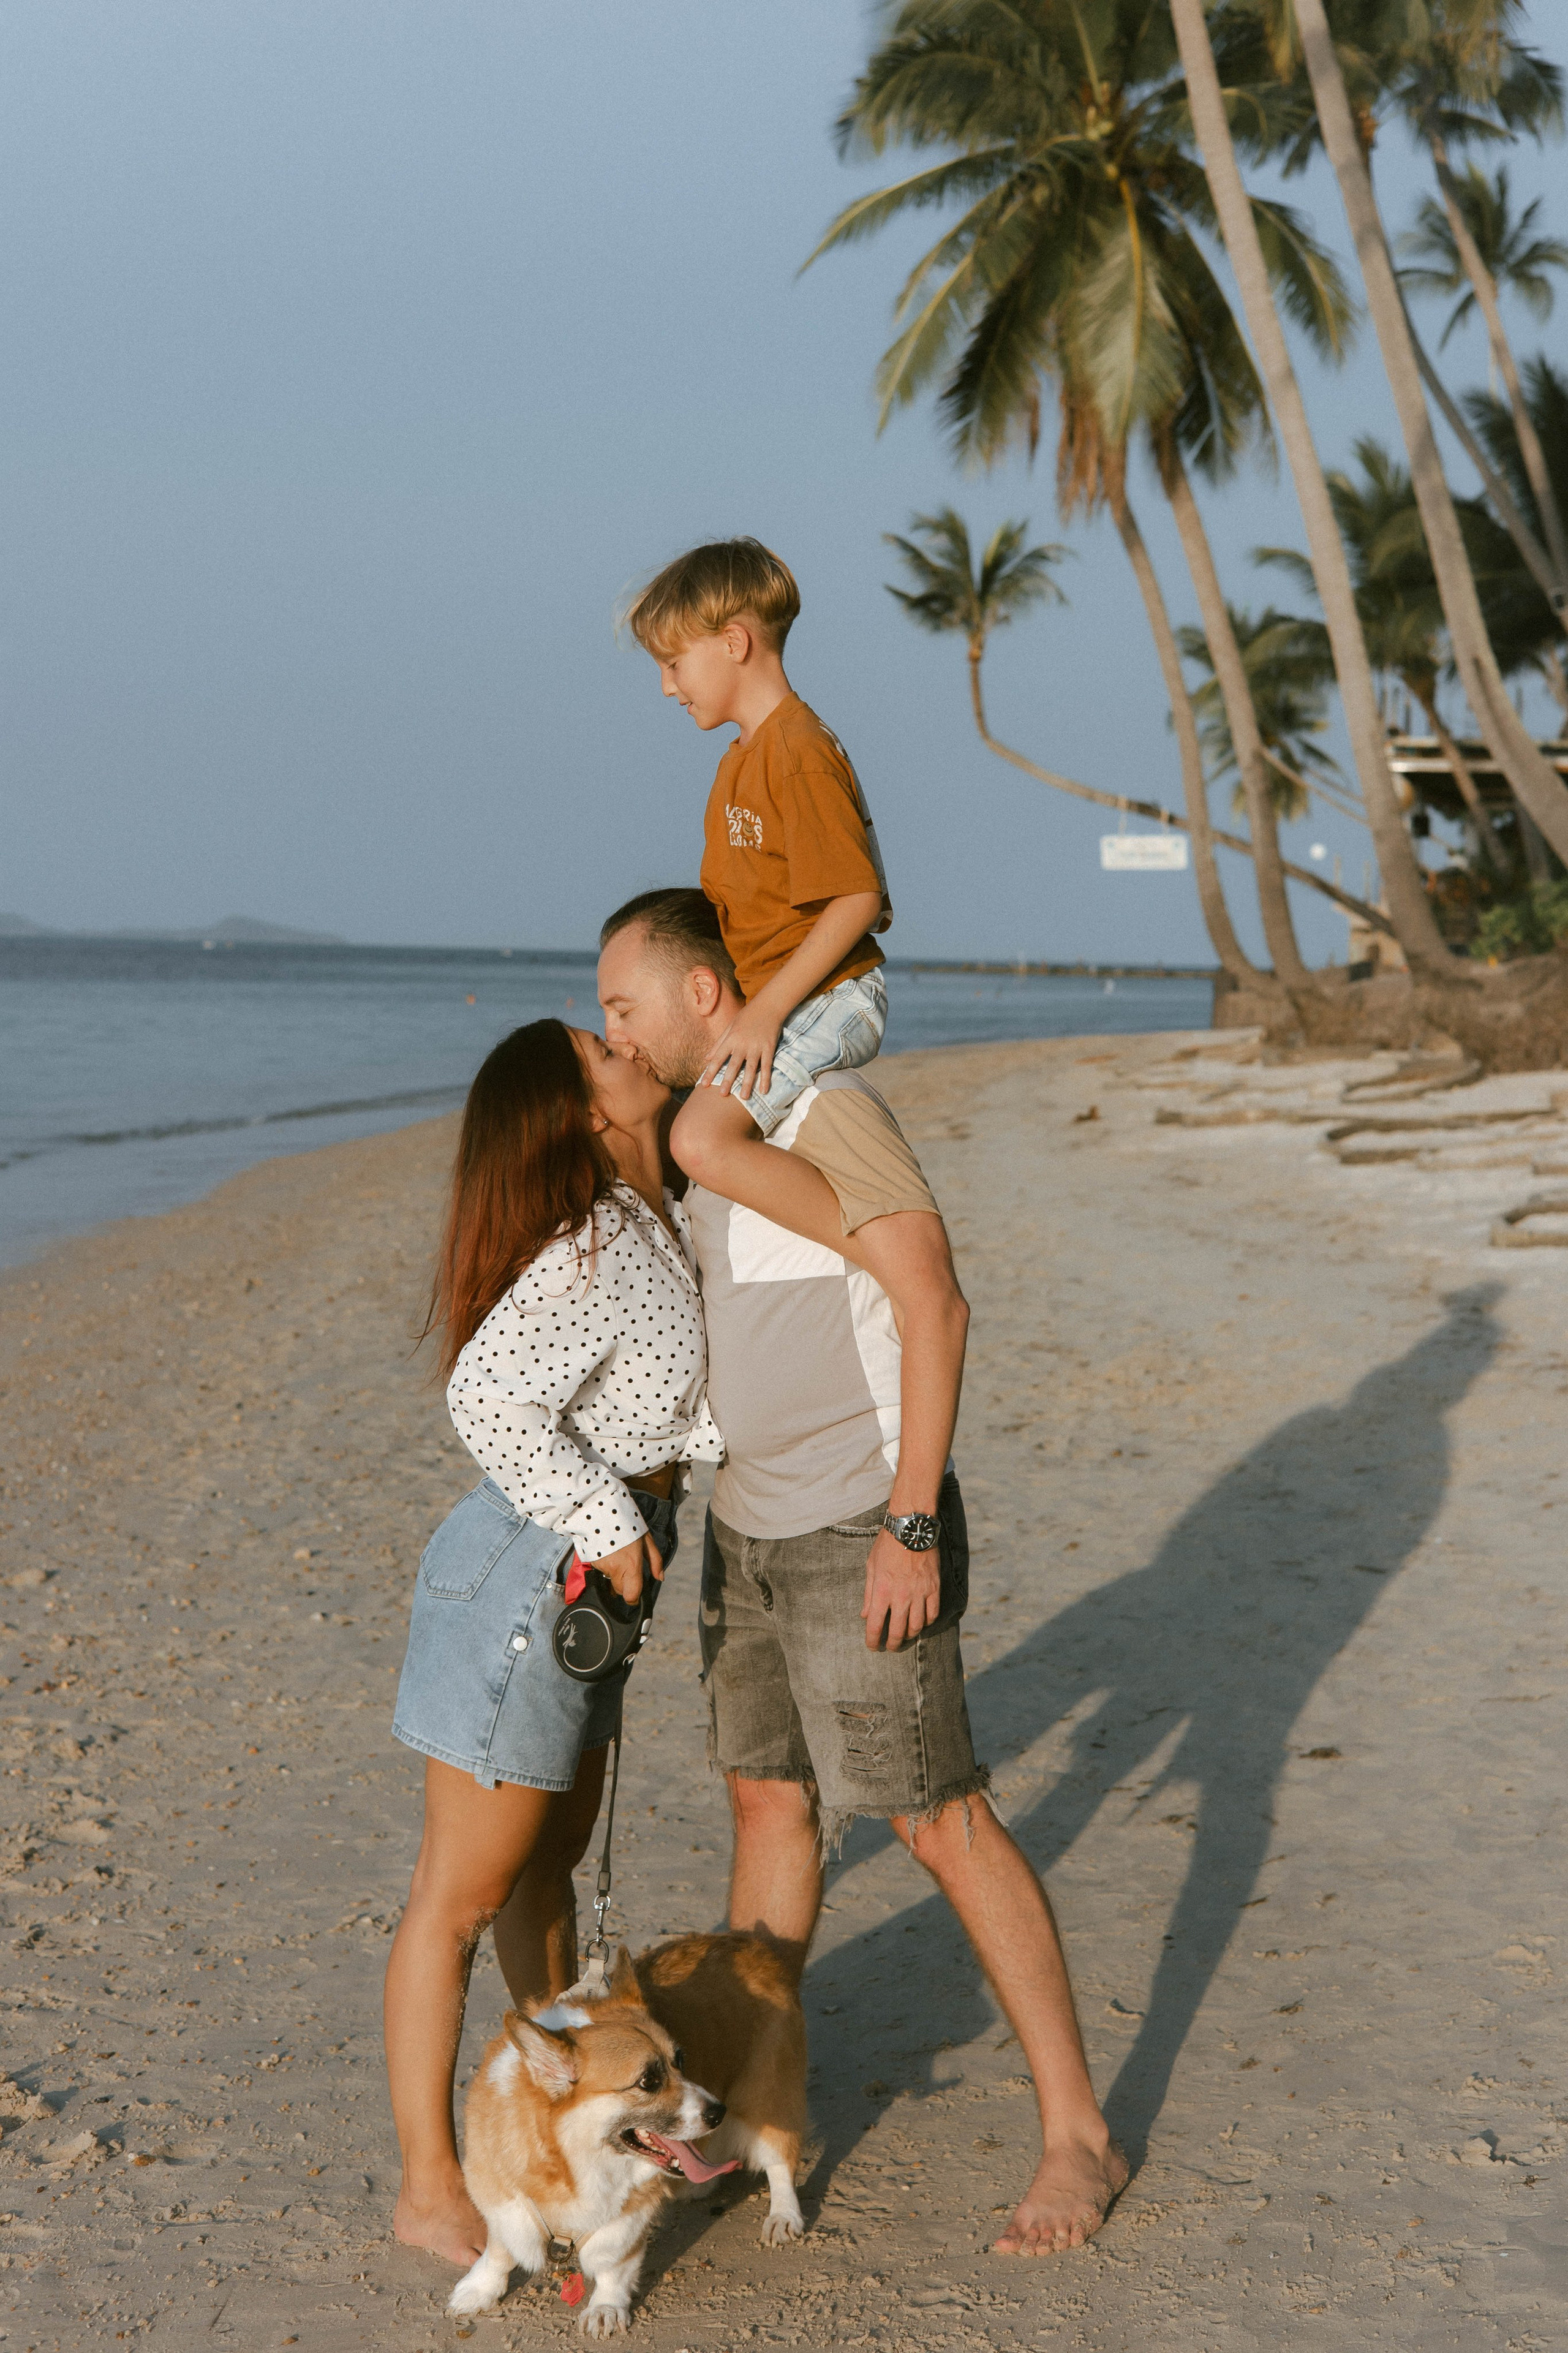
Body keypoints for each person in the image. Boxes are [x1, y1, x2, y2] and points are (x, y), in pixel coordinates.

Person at [597, 891, 1128, 2256]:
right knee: (767, 1807)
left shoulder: (818, 1106)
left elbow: (933, 1296)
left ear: (703, 993)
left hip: (856, 1524)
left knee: (936, 1816)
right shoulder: (698, 1138)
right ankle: (737, 2102)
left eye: (621, 1004)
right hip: (750, 1527)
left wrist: (910, 1523)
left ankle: (1076, 2132)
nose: (613, 1026)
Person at [383, 1017, 723, 2269]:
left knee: (546, 1875)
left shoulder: (652, 1212)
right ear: (583, 1111)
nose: (628, 1040)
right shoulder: (593, 1244)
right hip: (528, 1586)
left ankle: (544, 2139)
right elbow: (484, 1395)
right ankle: (429, 2188)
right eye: (602, 1045)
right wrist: (604, 1512)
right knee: (459, 1898)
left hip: (583, 1591)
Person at [623, 536, 895, 1245]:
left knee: (698, 1141)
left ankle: (879, 1249)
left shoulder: (799, 751)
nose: (665, 687)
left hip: (834, 995)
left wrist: (764, 1012)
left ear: (734, 642)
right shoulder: (738, 764)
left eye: (673, 663)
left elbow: (857, 898)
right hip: (788, 996)